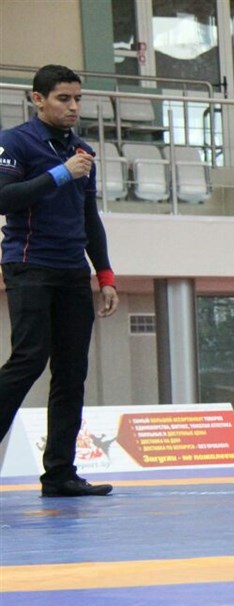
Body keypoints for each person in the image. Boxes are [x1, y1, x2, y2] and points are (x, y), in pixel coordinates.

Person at [0, 65, 119, 497]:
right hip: (29, 265)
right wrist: (60, 173)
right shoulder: (16, 142)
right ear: (38, 99)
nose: (73, 107)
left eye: (77, 99)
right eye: (63, 99)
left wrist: (104, 274)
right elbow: (3, 198)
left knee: (71, 372)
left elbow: (90, 218)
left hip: (72, 272)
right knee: (29, 360)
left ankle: (60, 475)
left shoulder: (82, 150)